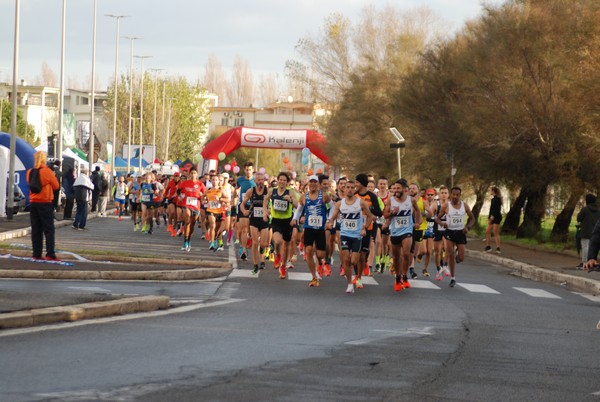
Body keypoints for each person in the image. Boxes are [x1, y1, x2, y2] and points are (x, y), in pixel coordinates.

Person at [327, 180, 373, 294]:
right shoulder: (339, 203)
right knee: (346, 259)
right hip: (345, 234)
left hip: (357, 235)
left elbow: (370, 216)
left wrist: (364, 228)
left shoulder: (361, 203)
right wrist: (329, 222)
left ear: (355, 189)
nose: (350, 189)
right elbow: (332, 217)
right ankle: (349, 284)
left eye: (352, 187)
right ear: (344, 189)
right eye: (347, 187)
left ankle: (357, 276)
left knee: (353, 261)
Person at [383, 179, 422, 292]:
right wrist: (392, 213)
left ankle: (404, 277)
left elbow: (417, 211)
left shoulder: (411, 200)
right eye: (395, 188)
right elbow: (385, 215)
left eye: (398, 188)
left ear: (405, 189)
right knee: (396, 257)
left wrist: (417, 222)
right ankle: (397, 277)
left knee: (406, 254)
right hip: (395, 231)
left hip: (407, 231)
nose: (396, 191)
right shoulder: (391, 201)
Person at [435, 186, 476, 287]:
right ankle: (453, 278)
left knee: (461, 258)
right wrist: (442, 224)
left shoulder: (465, 206)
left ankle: (459, 257)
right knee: (450, 253)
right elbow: (437, 219)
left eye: (457, 195)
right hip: (449, 232)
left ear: (460, 195)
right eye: (453, 194)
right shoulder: (446, 206)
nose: (455, 196)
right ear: (450, 195)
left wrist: (468, 227)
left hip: (460, 232)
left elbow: (472, 219)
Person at [27, 151, 60, 260]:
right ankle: (50, 253)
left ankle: (36, 254)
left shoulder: (30, 172)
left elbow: (29, 183)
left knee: (36, 229)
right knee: (48, 229)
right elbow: (56, 186)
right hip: (45, 202)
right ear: (44, 159)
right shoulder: (47, 172)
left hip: (33, 202)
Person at [577, 194, 600, 269]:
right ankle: (591, 261)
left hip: (586, 231)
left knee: (585, 246)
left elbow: (579, 218)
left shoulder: (585, 209)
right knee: (590, 246)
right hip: (595, 230)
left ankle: (585, 262)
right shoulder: (598, 210)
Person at [484, 186, 503, 254]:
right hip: (492, 217)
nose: (489, 192)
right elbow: (491, 209)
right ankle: (488, 246)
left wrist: (492, 217)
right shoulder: (493, 199)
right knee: (487, 231)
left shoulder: (497, 199)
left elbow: (496, 209)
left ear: (493, 191)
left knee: (495, 232)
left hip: (496, 217)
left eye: (490, 190)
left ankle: (498, 248)